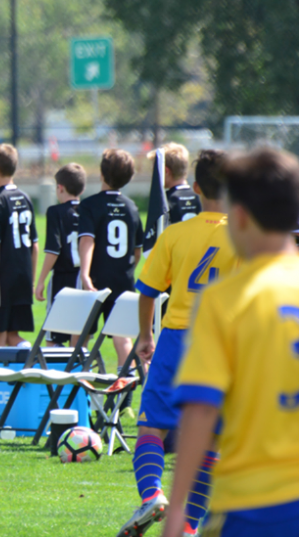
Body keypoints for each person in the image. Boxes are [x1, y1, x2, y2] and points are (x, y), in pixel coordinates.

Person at [163, 148, 299, 537]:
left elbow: (201, 409)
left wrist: (177, 510)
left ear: (238, 216)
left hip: (254, 504)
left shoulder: (225, 299)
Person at [116, 150, 236, 537]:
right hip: (222, 344)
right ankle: (187, 527)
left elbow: (148, 291)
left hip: (176, 339)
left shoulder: (176, 234)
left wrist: (145, 336)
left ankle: (152, 494)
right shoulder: (244, 236)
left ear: (196, 187)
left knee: (151, 429)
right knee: (211, 441)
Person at [77, 149, 143, 367]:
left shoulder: (89, 205)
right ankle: (126, 383)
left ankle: (79, 383)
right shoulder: (132, 207)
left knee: (81, 335)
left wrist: (85, 274)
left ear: (102, 174)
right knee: (122, 338)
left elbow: (87, 240)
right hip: (123, 281)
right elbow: (137, 251)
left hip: (95, 281)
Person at [0, 144, 38, 348]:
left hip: (2, 280)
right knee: (13, 336)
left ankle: (24, 363)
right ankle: (30, 357)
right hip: (23, 278)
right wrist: (31, 281)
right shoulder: (26, 198)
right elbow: (34, 245)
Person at [35, 163, 86, 347]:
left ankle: (58, 366)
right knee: (79, 337)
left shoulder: (55, 212)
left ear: (60, 188)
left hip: (62, 280)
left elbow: (53, 250)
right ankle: (78, 366)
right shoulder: (88, 211)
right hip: (84, 278)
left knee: (53, 338)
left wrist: (41, 280)